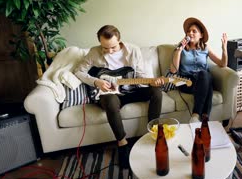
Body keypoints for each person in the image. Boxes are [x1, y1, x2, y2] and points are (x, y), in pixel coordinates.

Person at [74, 25, 165, 169]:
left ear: (120, 40)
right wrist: (96, 81)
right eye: (105, 48)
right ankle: (122, 144)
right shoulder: (93, 52)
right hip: (109, 94)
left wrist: (152, 81)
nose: (109, 51)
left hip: (130, 90)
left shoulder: (133, 50)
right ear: (100, 43)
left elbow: (141, 75)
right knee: (110, 101)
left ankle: (154, 133)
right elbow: (78, 71)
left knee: (156, 91)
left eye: (113, 47)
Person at [170, 17, 228, 123]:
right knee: (207, 83)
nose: (190, 33)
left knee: (205, 75)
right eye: (188, 31)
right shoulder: (181, 49)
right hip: (186, 82)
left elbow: (223, 64)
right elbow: (173, 70)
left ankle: (196, 117)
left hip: (202, 79)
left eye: (194, 31)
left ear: (201, 35)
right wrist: (178, 50)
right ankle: (204, 117)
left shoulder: (205, 48)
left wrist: (224, 49)